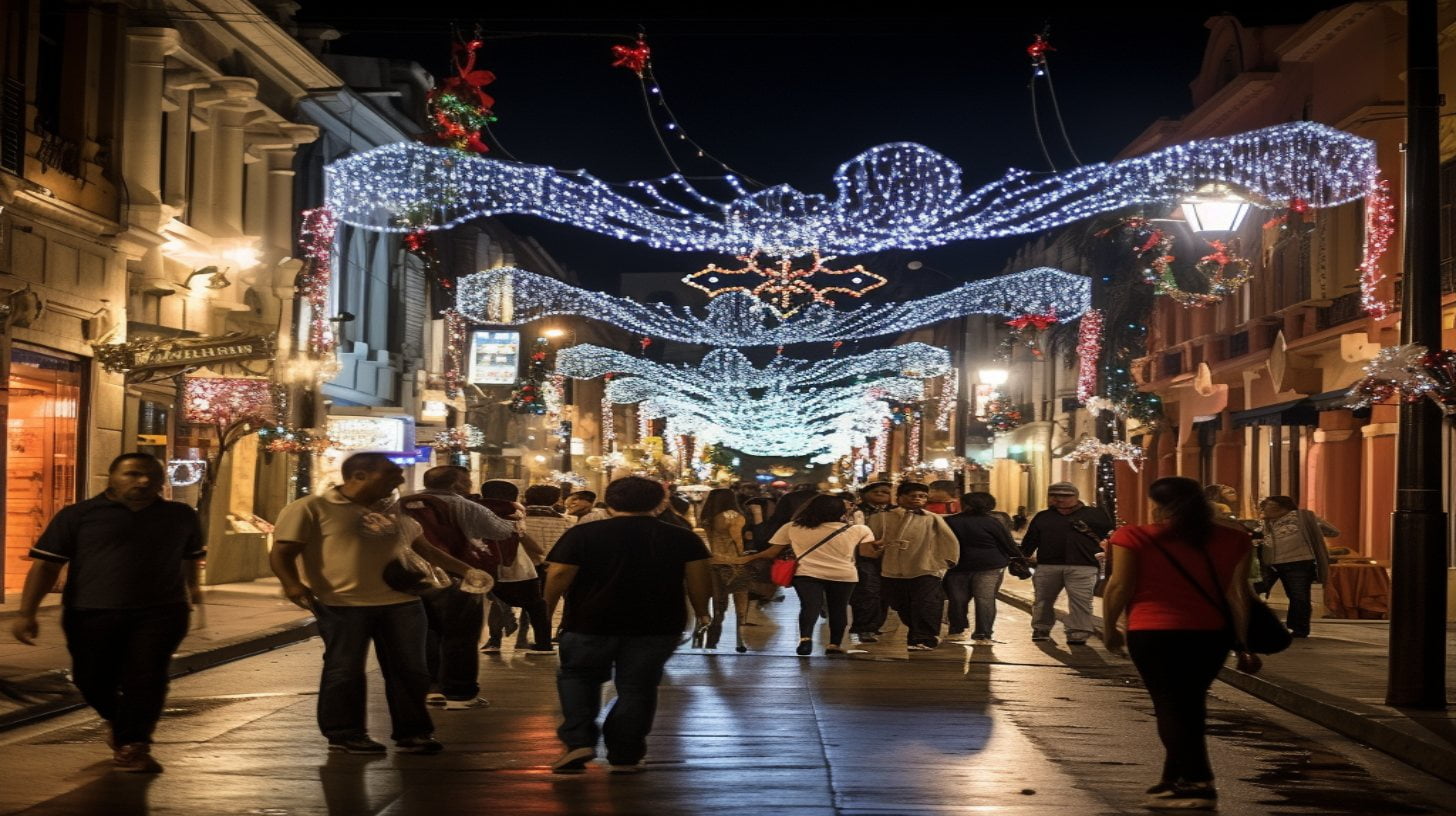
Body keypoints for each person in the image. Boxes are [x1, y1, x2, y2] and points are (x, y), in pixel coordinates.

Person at [271, 453, 488, 755]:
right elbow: (282, 552)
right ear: (358, 475)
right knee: (344, 670)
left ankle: (413, 733)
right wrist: (293, 585)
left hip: (404, 603)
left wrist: (467, 571)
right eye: (391, 473)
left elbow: (426, 550)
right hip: (341, 603)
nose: (399, 480)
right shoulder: (311, 508)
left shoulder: (394, 513)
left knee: (411, 670)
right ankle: (345, 733)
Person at [10, 453, 203, 773]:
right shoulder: (78, 515)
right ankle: (119, 719)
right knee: (91, 679)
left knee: (147, 678)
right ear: (112, 477)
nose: (143, 481)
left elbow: (190, 557)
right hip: (90, 613)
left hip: (160, 613)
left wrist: (191, 591)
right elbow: (46, 565)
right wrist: (25, 613)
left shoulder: (180, 515)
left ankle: (134, 744)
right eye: (133, 474)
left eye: (152, 476)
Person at [1102, 476, 1254, 810]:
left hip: (1154, 631)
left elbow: (1119, 587)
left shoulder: (1133, 536)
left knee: (1170, 705)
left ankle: (1199, 782)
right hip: (1212, 634)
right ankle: (1175, 779)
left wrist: (1109, 627)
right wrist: (1243, 643)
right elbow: (1239, 595)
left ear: (1157, 504)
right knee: (1190, 704)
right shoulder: (1236, 539)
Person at [544, 476, 712, 773]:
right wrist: (702, 613)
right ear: (659, 503)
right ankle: (625, 754)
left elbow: (558, 575)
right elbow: (699, 580)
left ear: (609, 503)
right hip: (656, 624)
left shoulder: (583, 534)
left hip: (589, 622)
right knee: (638, 688)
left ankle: (579, 740)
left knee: (577, 677)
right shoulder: (683, 537)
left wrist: (544, 612)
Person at [409, 465, 517, 710]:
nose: (470, 484)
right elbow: (503, 531)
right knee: (461, 634)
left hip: (413, 576)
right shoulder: (467, 506)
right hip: (460, 574)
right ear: (457, 484)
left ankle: (430, 688)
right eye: (467, 480)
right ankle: (459, 692)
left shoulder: (402, 504)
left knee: (425, 632)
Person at [741, 493, 877, 655]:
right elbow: (868, 554)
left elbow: (772, 552)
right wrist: (882, 548)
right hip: (843, 575)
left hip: (806, 574)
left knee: (809, 607)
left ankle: (805, 641)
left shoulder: (792, 527)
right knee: (838, 609)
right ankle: (834, 645)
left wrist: (748, 558)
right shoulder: (859, 529)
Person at [866, 482, 960, 651]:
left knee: (926, 602)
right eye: (913, 496)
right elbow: (870, 539)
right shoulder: (881, 518)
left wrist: (946, 561)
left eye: (922, 496)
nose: (917, 499)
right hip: (891, 568)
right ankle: (916, 631)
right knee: (900, 603)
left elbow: (948, 540)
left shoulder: (932, 518)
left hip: (925, 566)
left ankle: (925, 637)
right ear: (900, 497)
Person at [1020, 482, 1114, 645]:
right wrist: (1022, 558)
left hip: (1083, 564)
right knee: (1043, 599)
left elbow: (1109, 537)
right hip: (1048, 565)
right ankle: (1041, 628)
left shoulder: (1095, 515)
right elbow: (1031, 540)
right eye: (1054, 495)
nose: (1059, 499)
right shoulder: (1043, 517)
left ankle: (1078, 632)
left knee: (1081, 600)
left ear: (1076, 497)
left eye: (1065, 496)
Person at [478, 480, 553, 655]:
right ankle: (543, 644)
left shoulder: (475, 510)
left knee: (495, 601)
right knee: (535, 605)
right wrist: (540, 552)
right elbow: (525, 540)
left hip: (484, 565)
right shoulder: (514, 513)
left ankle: (494, 640)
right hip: (517, 568)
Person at [942, 492, 1018, 644]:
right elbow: (1007, 543)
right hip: (989, 566)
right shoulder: (993, 522)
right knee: (985, 599)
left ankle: (957, 630)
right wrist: (1019, 559)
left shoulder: (949, 521)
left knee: (957, 599)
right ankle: (983, 634)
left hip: (957, 566)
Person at [1257, 495, 1337, 638]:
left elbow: (1333, 531)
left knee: (1298, 595)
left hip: (1298, 563)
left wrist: (1314, 525)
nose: (1263, 508)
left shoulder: (1302, 518)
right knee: (1255, 589)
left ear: (1281, 506)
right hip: (1271, 564)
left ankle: (1299, 628)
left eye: (1267, 505)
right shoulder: (1266, 523)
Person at [698, 487, 754, 648]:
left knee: (718, 603)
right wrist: (745, 555)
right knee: (740, 600)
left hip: (712, 561)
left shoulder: (707, 516)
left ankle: (712, 637)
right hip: (733, 562)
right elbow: (737, 540)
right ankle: (740, 640)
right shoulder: (732, 515)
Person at [849, 481, 895, 643]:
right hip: (863, 556)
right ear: (864, 494)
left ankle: (875, 625)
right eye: (877, 491)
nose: (882, 493)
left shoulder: (896, 511)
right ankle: (864, 628)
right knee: (867, 591)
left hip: (890, 557)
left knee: (885, 593)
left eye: (886, 492)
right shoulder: (855, 511)